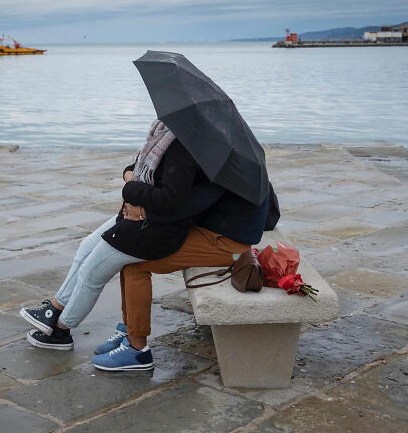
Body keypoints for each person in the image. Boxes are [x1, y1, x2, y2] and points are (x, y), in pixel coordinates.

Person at [19, 120, 220, 369]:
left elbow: (171, 198)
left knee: (92, 272)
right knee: (86, 247)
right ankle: (55, 310)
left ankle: (60, 331)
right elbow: (134, 168)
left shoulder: (183, 146)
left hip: (154, 229)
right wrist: (132, 179)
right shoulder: (163, 134)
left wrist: (132, 187)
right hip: (138, 218)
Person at [90, 188, 270, 371]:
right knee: (131, 249)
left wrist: (145, 213)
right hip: (214, 231)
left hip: (226, 244)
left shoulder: (225, 170)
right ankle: (129, 329)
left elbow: (190, 204)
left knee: (136, 264)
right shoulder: (234, 164)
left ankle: (137, 349)